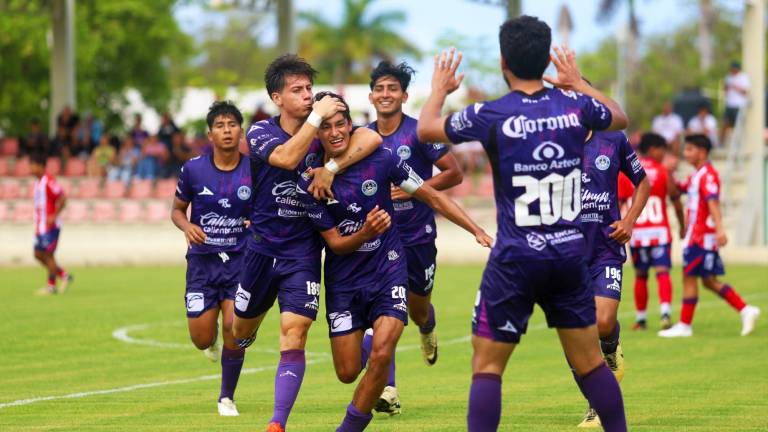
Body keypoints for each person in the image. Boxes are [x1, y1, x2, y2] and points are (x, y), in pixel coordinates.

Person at [417, 16, 631, 431]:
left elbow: (427, 129)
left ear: (504, 61)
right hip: (569, 254)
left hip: (516, 258)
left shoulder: (493, 113)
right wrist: (578, 83)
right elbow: (618, 118)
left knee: (487, 366)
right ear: (546, 57)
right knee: (590, 362)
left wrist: (439, 91)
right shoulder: (574, 108)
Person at [297, 91, 492, 432]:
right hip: (344, 280)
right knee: (346, 372)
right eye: (325, 127)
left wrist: (475, 229)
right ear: (316, 134)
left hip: (388, 268)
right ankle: (368, 341)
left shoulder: (381, 159)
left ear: (350, 125)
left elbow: (429, 194)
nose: (335, 132)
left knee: (384, 353)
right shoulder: (309, 182)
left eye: (340, 124)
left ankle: (348, 427)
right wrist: (365, 232)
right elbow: (335, 244)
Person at [231, 54, 382, 432]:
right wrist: (315, 120)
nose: (306, 95)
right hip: (262, 249)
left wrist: (330, 166)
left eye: (309, 89)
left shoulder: (324, 134)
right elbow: (285, 157)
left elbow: (371, 136)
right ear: (276, 97)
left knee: (294, 332)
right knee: (240, 331)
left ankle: (277, 423)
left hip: (303, 253)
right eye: (297, 90)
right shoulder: (260, 132)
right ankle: (244, 337)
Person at [365, 60, 464, 414]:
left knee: (418, 309)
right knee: (382, 314)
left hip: (417, 235)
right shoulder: (362, 137)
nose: (386, 94)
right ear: (371, 96)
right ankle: (387, 389)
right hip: (376, 239)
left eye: (393, 88)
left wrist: (413, 190)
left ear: (404, 96)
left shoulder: (420, 133)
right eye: (380, 88)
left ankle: (428, 324)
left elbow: (455, 173)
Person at [171, 101, 252, 416]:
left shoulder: (254, 169)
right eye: (220, 125)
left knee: (235, 326)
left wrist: (255, 223)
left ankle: (226, 397)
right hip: (202, 265)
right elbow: (177, 210)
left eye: (232, 124)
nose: (227, 130)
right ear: (210, 134)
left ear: (240, 131)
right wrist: (187, 226)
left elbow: (265, 211)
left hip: (240, 262)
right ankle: (212, 341)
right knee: (201, 338)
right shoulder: (193, 168)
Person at [576, 129, 649, 427]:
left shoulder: (613, 139)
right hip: (567, 254)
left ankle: (611, 345)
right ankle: (596, 403)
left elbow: (642, 182)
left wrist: (629, 220)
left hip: (605, 248)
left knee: (603, 322)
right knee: (577, 334)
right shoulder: (550, 141)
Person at [658, 134, 760, 338]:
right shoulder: (697, 175)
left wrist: (720, 229)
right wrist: (667, 171)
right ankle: (745, 310)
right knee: (708, 280)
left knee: (690, 277)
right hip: (697, 236)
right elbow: (677, 189)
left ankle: (685, 325)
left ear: (702, 152)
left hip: (701, 237)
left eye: (689, 150)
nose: (686, 154)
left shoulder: (708, 175)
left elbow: (713, 202)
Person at [619, 133, 685, 330]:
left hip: (637, 232)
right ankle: (665, 313)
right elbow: (675, 200)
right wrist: (682, 225)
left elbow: (619, 202)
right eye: (661, 149)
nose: (663, 154)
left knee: (641, 275)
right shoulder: (663, 171)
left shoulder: (626, 172)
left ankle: (641, 319)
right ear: (653, 149)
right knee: (662, 272)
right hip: (659, 232)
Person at [30, 152, 72, 295]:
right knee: (37, 254)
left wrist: (55, 215)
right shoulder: (37, 182)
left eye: (33, 165)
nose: (30, 168)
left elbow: (62, 197)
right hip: (40, 226)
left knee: (49, 255)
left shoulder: (49, 181)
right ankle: (64, 275)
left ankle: (51, 286)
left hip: (50, 226)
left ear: (41, 166)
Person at [720, 61, 750, 144]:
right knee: (724, 123)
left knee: (739, 125)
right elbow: (725, 90)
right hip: (729, 104)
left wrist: (735, 86)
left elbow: (745, 91)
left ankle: (742, 142)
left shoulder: (743, 77)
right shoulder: (728, 77)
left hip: (739, 105)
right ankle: (721, 143)